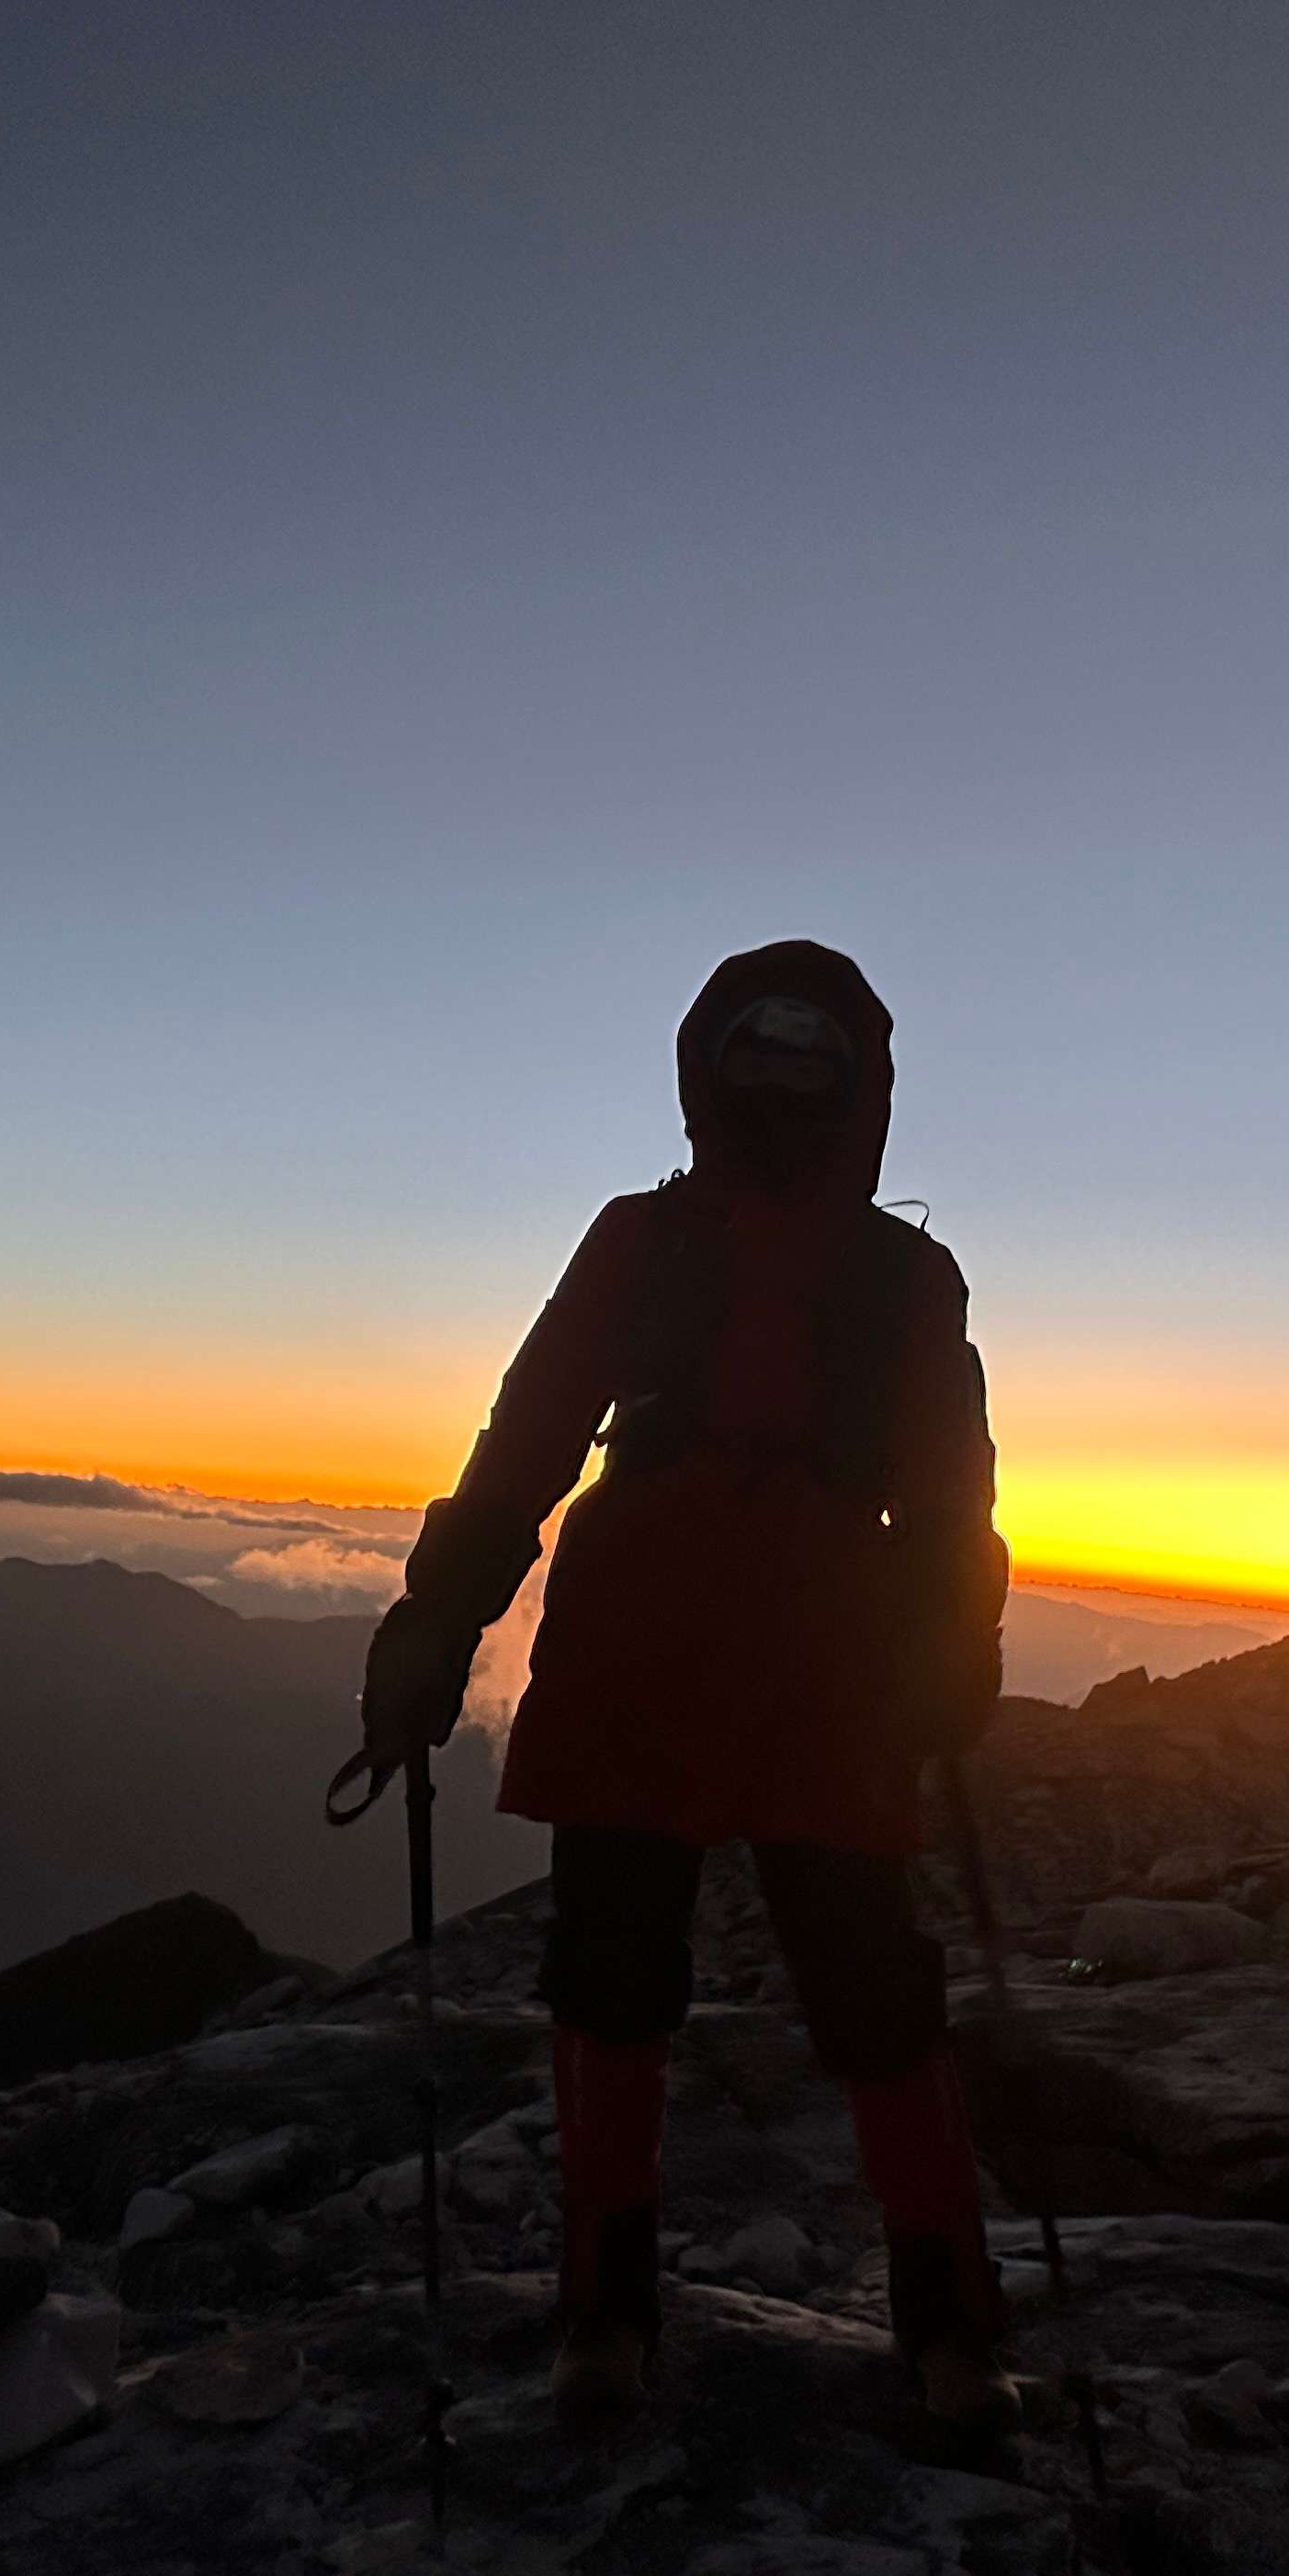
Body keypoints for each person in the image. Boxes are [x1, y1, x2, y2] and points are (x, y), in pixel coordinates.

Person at [360, 940, 1017, 2438]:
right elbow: (947, 1492)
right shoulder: (896, 1274)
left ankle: (614, 2318)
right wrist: (949, 1649)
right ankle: (946, 2332)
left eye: (805, 1065)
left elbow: (529, 1441)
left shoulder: (655, 1245)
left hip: (664, 1634)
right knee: (833, 1981)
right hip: (806, 1644)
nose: (783, 1094)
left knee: (640, 1973)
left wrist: (433, 1632)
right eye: (766, 1061)